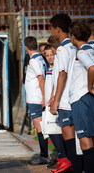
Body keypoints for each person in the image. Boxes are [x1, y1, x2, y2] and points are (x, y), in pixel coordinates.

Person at [49, 14, 84, 172]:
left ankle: (75, 167)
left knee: (69, 137)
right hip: (76, 97)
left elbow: (62, 74)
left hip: (65, 100)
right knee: (80, 140)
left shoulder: (63, 48)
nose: (50, 30)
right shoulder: (75, 46)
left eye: (51, 27)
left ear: (57, 29)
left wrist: (56, 100)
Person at [68, 21, 94, 172]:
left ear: (72, 37)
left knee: (85, 142)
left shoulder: (82, 52)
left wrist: (90, 87)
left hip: (81, 98)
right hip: (88, 99)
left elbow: (91, 68)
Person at [43, 44, 72, 172]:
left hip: (56, 102)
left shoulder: (58, 67)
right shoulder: (48, 68)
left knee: (56, 131)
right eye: (47, 55)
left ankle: (64, 159)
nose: (50, 58)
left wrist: (53, 97)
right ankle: (61, 158)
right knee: (51, 130)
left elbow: (56, 83)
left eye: (51, 55)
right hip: (49, 102)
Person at [24, 36, 50, 165]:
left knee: (40, 127)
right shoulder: (39, 58)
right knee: (41, 127)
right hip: (34, 98)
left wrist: (44, 98)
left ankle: (44, 155)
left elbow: (41, 78)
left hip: (36, 99)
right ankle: (44, 154)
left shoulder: (34, 61)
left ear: (25, 48)